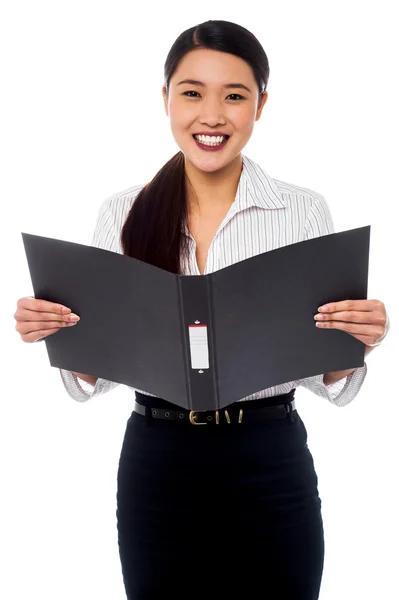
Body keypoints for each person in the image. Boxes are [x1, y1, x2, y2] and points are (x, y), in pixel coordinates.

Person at [14, 19, 390, 600]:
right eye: (191, 92)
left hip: (270, 456)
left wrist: (354, 339)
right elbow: (90, 376)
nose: (211, 115)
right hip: (158, 462)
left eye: (234, 96)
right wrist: (58, 329)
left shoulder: (301, 211)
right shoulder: (122, 212)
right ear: (164, 98)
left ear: (261, 105)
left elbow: (327, 377)